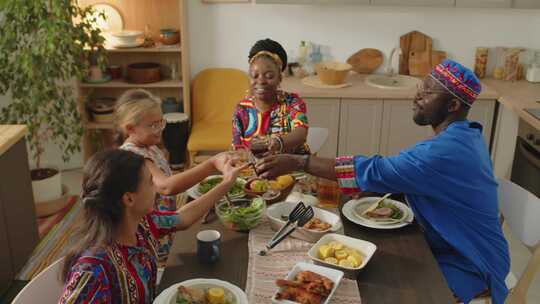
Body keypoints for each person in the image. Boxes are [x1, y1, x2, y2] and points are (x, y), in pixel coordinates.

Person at [256, 59, 510, 304]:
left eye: (428, 92)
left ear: (453, 105)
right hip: (445, 243)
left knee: (392, 290)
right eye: (420, 87)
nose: (417, 96)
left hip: (471, 261)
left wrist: (300, 162)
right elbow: (411, 177)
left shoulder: (446, 151)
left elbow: (379, 169)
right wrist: (373, 185)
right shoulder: (463, 135)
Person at [59, 149, 244, 303]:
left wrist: (226, 183)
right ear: (129, 198)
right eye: (150, 182)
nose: (156, 188)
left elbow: (182, 218)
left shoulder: (142, 224)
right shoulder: (93, 270)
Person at [114, 89, 239, 263]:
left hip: (163, 220)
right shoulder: (134, 156)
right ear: (130, 128)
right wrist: (211, 164)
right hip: (150, 228)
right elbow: (167, 186)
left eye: (161, 122)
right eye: (152, 125)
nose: (159, 130)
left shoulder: (149, 147)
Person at [232, 38, 310, 155]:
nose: (261, 81)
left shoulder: (292, 103)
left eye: (269, 76)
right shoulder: (242, 109)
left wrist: (278, 142)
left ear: (279, 78)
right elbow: (237, 147)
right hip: (254, 169)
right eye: (255, 75)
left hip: (292, 167)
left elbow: (301, 133)